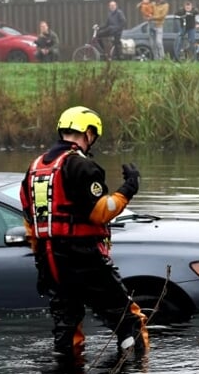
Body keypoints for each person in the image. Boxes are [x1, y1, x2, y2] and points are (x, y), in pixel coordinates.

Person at [20, 106, 148, 358]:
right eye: (94, 136)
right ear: (88, 133)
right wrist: (129, 188)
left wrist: (43, 257)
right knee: (129, 320)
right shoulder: (81, 166)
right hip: (84, 259)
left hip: (50, 262)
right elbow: (101, 211)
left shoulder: (35, 168)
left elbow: (28, 218)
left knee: (67, 328)